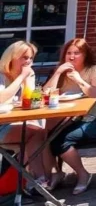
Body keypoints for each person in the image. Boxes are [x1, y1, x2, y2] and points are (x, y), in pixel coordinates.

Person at [44, 38, 96, 194]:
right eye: (68, 53)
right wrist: (58, 72)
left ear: (85, 55)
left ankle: (83, 174)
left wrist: (78, 80)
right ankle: (56, 173)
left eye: (76, 53)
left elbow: (95, 94)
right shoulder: (61, 72)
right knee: (41, 134)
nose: (71, 57)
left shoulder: (95, 69)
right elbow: (45, 94)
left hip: (93, 117)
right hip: (69, 116)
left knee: (59, 140)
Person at [0, 41, 47, 186]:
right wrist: (21, 77)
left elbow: (31, 100)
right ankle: (35, 180)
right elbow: (2, 97)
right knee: (36, 133)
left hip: (15, 121)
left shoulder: (28, 74)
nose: (28, 61)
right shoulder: (1, 75)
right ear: (12, 57)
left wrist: (27, 79)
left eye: (30, 58)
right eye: (24, 57)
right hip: (2, 125)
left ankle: (35, 179)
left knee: (41, 132)